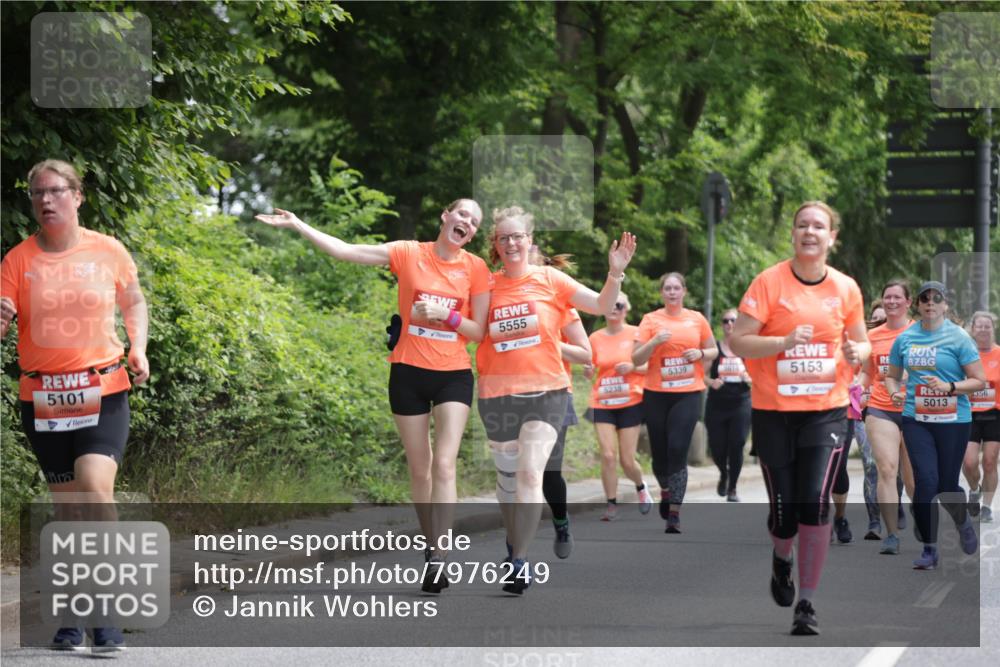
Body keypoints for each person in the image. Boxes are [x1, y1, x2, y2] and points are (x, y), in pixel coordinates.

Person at [255, 199, 491, 594]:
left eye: (474, 222)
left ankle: (440, 556)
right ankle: (430, 543)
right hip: (408, 372)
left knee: (444, 465)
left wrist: (445, 315)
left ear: (472, 235)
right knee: (420, 469)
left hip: (453, 375)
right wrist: (299, 224)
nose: (466, 222)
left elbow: (479, 331)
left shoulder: (476, 268)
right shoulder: (408, 253)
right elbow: (346, 250)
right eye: (462, 214)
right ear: (445, 217)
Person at [1, 159, 149, 653]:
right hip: (43, 398)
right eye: (37, 194)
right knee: (68, 511)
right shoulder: (17, 261)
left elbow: (134, 301)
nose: (45, 201)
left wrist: (138, 346)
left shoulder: (107, 250)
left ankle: (106, 614)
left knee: (94, 490)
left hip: (103, 389)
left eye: (55, 191)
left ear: (78, 196)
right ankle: (72, 615)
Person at [476, 205, 635, 595]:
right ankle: (514, 540)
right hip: (497, 393)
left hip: (546, 392)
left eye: (518, 236)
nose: (511, 243)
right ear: (495, 244)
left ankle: (519, 562)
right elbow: (463, 324)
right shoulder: (484, 286)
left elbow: (601, 305)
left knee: (533, 474)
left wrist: (615, 273)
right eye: (503, 238)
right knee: (507, 482)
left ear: (529, 240)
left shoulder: (550, 279)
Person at [730, 200, 870, 636]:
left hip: (826, 412)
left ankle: (806, 603)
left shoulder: (845, 288)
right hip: (773, 412)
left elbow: (863, 344)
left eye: (819, 226)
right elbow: (738, 341)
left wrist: (858, 351)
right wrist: (783, 342)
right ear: (793, 234)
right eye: (802, 225)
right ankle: (781, 556)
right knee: (784, 515)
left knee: (815, 500)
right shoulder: (769, 282)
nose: (810, 232)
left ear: (832, 238)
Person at [884, 281, 986, 570]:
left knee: (946, 485)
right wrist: (894, 392)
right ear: (917, 304)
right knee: (926, 481)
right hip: (916, 420)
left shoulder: (959, 338)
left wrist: (949, 386)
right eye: (925, 298)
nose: (930, 303)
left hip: (954, 421)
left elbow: (979, 380)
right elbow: (891, 375)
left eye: (936, 298)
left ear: (945, 305)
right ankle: (930, 549)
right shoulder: (905, 338)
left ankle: (962, 521)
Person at [632, 272, 717, 533]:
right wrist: (654, 342)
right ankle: (666, 490)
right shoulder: (650, 320)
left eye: (676, 288)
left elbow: (714, 350)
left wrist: (700, 353)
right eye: (667, 288)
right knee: (660, 456)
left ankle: (674, 514)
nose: (672, 292)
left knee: (678, 448)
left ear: (684, 292)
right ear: (662, 293)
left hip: (688, 393)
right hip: (657, 393)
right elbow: (636, 358)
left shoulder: (697, 319)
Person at [529, 247, 593, 559]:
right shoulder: (500, 293)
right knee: (517, 472)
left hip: (554, 393)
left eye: (529, 255)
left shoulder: (559, 299)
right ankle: (517, 551)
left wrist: (550, 342)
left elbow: (584, 353)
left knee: (548, 473)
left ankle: (561, 521)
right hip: (510, 391)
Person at [583, 292, 653, 520]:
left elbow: (651, 366)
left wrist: (633, 367)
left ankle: (641, 486)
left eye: (619, 305)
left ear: (626, 309)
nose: (614, 309)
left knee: (627, 459)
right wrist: (587, 371)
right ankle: (611, 504)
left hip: (630, 401)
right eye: (611, 305)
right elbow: (590, 369)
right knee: (607, 455)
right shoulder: (595, 338)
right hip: (602, 401)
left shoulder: (636, 334)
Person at [860, 281, 916, 554]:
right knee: (886, 469)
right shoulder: (872, 337)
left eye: (897, 297)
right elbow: (866, 372)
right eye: (887, 297)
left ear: (908, 302)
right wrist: (859, 389)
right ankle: (892, 534)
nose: (892, 301)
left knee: (913, 479)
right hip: (881, 407)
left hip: (915, 410)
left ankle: (922, 519)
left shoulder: (921, 333)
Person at [704, 308, 752, 503]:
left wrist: (749, 378)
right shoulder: (715, 349)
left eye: (733, 320)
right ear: (722, 325)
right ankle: (724, 473)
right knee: (717, 447)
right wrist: (711, 382)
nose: (729, 324)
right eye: (725, 321)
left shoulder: (748, 349)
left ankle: (732, 487)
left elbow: (760, 375)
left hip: (741, 402)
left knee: (737, 444)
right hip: (717, 404)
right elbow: (700, 374)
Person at [962, 311, 999, 523]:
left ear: (993, 329)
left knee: (990, 462)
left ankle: (986, 506)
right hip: (969, 413)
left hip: (995, 413)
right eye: (980, 326)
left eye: (987, 326)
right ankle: (974, 489)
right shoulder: (966, 354)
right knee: (969, 462)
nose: (983, 330)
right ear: (973, 329)